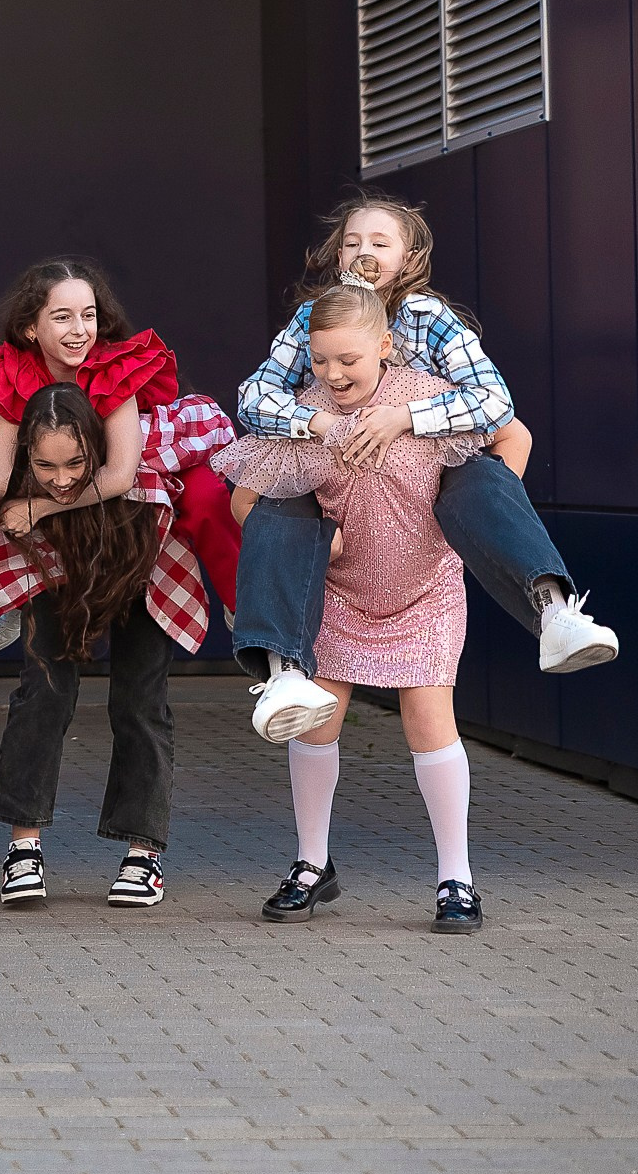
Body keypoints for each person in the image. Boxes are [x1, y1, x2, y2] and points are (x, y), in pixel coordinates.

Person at [233, 193, 616, 745]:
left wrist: (404, 418)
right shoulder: (311, 317)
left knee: (481, 481)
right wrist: (315, 425)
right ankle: (282, 673)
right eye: (351, 242)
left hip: (429, 464)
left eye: (379, 243)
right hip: (333, 466)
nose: (363, 252)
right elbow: (254, 396)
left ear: (408, 257)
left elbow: (495, 404)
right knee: (278, 505)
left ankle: (555, 612)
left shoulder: (426, 317)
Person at [218, 280, 509, 934]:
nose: (333, 373)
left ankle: (456, 880)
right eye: (321, 359)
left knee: (429, 720)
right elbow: (245, 499)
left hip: (425, 588)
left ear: (384, 347)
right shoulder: (301, 415)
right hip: (342, 594)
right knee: (315, 721)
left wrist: (481, 509)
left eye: (348, 359)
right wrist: (310, 543)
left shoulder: (427, 399)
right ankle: (311, 866)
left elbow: (508, 434)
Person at [0, 385, 209, 912]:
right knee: (43, 695)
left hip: (144, 571)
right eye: (46, 467)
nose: (61, 481)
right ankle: (23, 849)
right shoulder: (5, 471)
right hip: (57, 575)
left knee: (139, 704)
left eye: (76, 463)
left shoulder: (141, 453)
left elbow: (214, 428)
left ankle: (142, 855)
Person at [0, 260, 237, 652]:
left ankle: (245, 603)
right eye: (62, 317)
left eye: (88, 316)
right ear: (31, 328)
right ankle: (8, 599)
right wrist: (39, 493)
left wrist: (40, 508)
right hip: (53, 472)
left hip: (135, 458)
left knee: (205, 495)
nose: (79, 330)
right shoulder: (15, 371)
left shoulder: (111, 366)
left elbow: (120, 474)